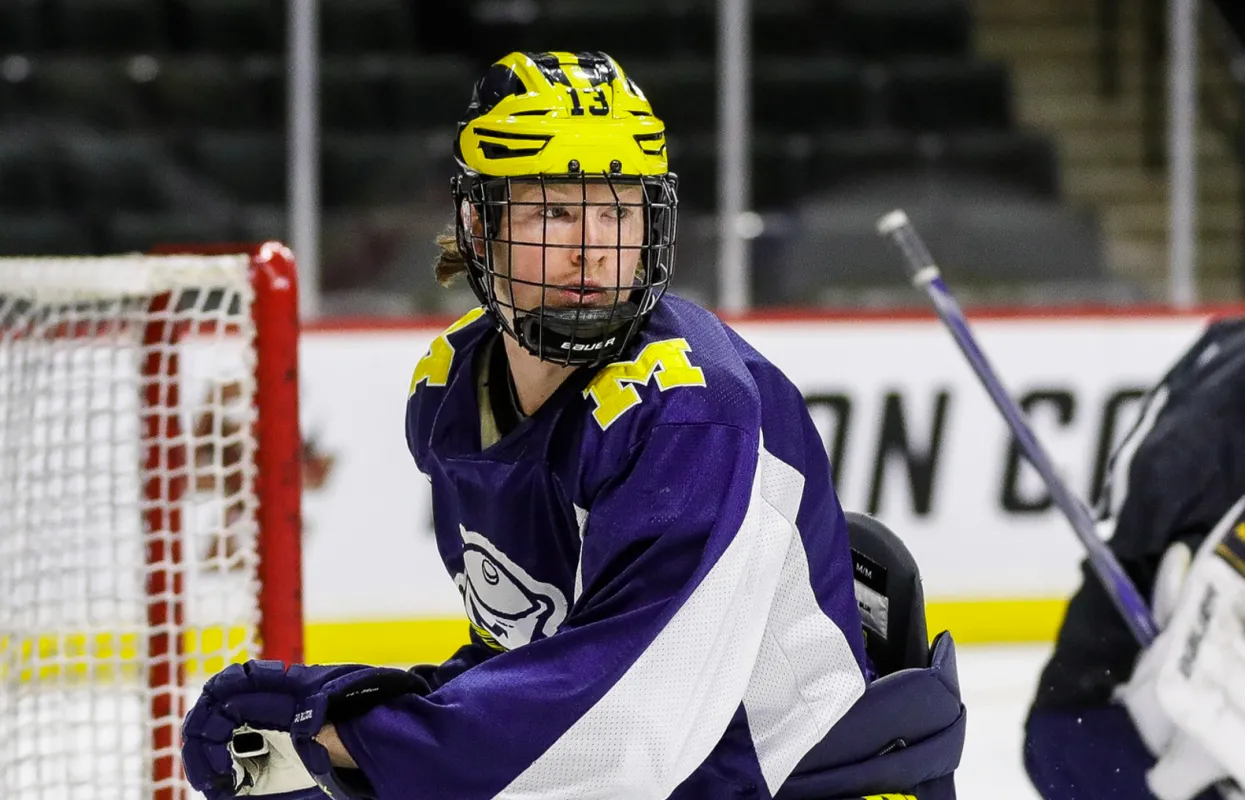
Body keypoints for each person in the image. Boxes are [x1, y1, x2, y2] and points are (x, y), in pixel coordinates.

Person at [180, 51, 961, 800]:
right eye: (554, 210)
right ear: (478, 227)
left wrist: (353, 742)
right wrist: (353, 721)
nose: (592, 251)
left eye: (619, 210)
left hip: (804, 786)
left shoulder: (690, 408)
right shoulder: (451, 389)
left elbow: (622, 730)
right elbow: (536, 658)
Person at [1024, 316, 1245, 799]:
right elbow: (1145, 491)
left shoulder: (1225, 344)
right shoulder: (1225, 390)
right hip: (1110, 727)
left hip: (1092, 722)